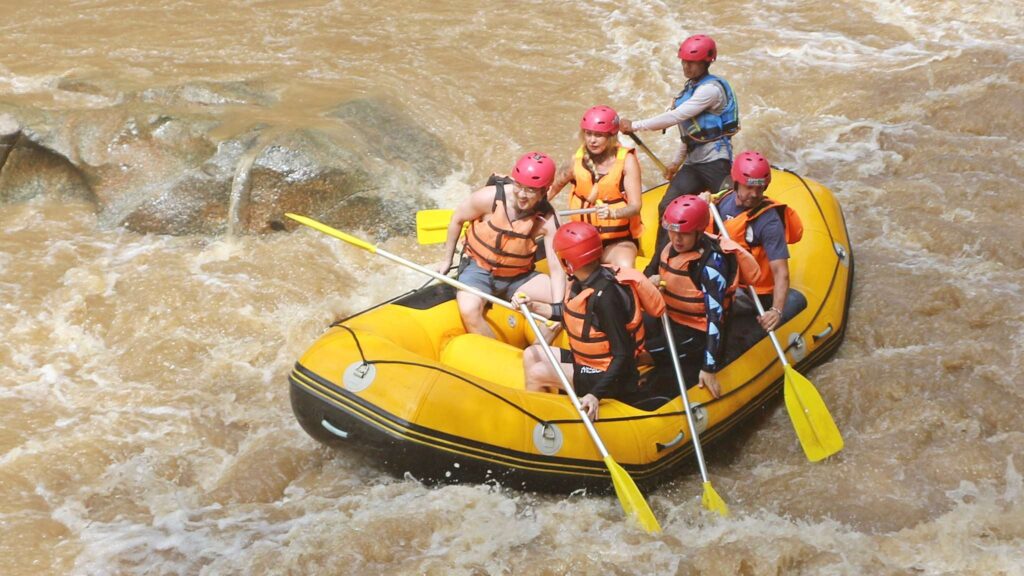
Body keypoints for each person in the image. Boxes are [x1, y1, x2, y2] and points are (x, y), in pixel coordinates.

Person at [515, 222, 666, 421]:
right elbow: (569, 311)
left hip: (612, 376)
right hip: (589, 362)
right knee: (531, 354)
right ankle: (556, 410)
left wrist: (595, 394)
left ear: (568, 261)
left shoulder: (606, 298)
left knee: (538, 372)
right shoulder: (585, 279)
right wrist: (533, 305)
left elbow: (623, 353)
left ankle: (539, 426)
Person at [619, 34, 739, 263]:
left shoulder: (710, 91)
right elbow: (688, 136)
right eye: (684, 62)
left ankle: (729, 262)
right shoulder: (690, 89)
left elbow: (675, 117)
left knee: (727, 211)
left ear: (707, 62)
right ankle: (660, 264)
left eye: (692, 62)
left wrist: (634, 126)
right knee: (667, 207)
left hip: (716, 161)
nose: (686, 66)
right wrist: (676, 163)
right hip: (694, 163)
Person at [436, 152, 564, 339]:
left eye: (530, 190)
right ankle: (496, 353)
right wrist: (447, 260)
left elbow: (556, 267)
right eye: (518, 185)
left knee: (569, 302)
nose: (521, 194)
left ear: (544, 190)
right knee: (469, 309)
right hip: (478, 269)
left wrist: (558, 306)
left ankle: (539, 349)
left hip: (518, 276)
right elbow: (457, 219)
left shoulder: (549, 219)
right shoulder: (489, 198)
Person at [642, 195, 759, 399]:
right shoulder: (668, 246)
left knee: (638, 357)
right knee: (628, 339)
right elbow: (645, 277)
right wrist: (649, 285)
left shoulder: (712, 265)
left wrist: (709, 368)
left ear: (698, 231)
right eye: (673, 231)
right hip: (669, 318)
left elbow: (715, 319)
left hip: (698, 334)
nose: (677, 239)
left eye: (685, 234)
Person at [705, 150, 802, 333]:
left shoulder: (770, 223)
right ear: (735, 184)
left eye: (760, 188)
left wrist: (776, 310)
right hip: (728, 275)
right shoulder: (724, 199)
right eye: (749, 187)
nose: (755, 194)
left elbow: (781, 272)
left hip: (752, 292)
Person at [548, 105, 643, 269]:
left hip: (617, 240)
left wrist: (613, 213)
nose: (592, 140)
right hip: (582, 239)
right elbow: (552, 189)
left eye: (599, 135)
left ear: (611, 136)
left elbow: (635, 206)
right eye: (588, 134)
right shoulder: (576, 161)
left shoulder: (627, 161)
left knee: (625, 265)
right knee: (567, 274)